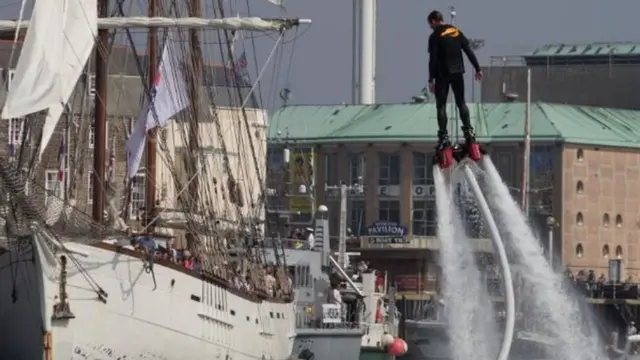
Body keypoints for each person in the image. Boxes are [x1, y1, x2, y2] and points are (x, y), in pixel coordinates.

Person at [426, 10, 482, 149]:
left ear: (433, 21)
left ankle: (443, 136)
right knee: (461, 102)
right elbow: (468, 51)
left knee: (441, 105)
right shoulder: (456, 31)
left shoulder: (434, 36)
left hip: (442, 74)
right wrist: (477, 68)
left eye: (430, 24)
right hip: (458, 72)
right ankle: (468, 131)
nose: (430, 27)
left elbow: (432, 59)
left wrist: (431, 79)